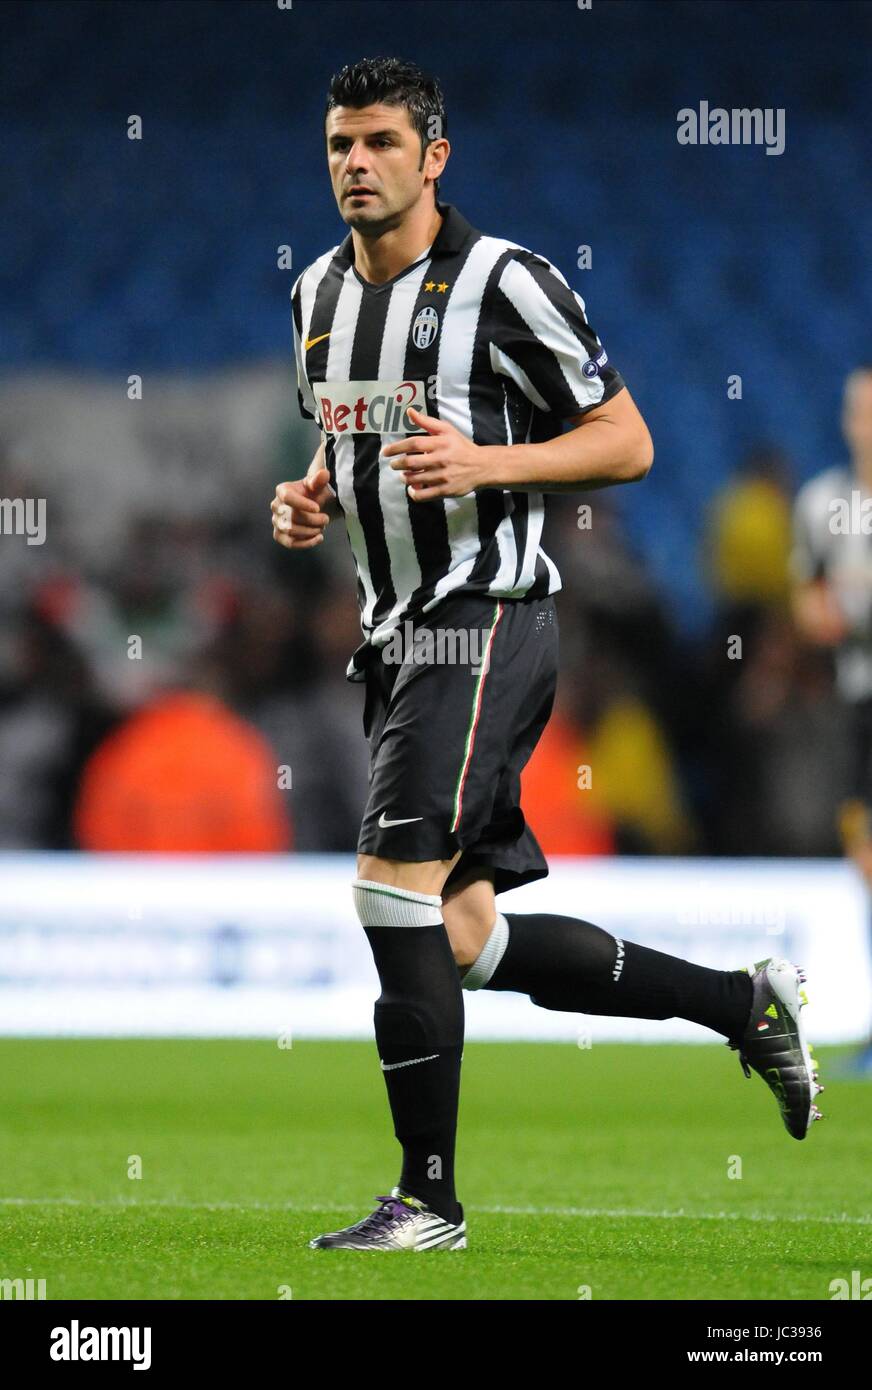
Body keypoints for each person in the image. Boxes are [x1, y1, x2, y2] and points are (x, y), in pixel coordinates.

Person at [272, 57, 822, 1252]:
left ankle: (427, 1202)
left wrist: (487, 465)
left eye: (377, 143)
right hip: (392, 637)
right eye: (337, 145)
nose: (354, 165)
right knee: (459, 935)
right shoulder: (314, 290)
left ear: (433, 156)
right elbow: (349, 445)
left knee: (386, 888)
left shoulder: (505, 283)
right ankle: (742, 1005)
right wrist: (311, 498)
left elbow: (626, 441)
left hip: (483, 624)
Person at [792, 365, 872, 1072]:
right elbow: (807, 603)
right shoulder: (822, 503)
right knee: (865, 854)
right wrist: (840, 610)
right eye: (858, 413)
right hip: (858, 699)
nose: (865, 425)